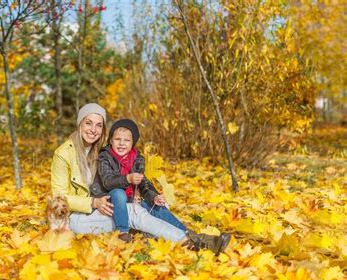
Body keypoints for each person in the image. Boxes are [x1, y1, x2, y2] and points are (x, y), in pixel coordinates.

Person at [90, 119, 231, 255]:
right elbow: (107, 181)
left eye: (126, 140)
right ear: (110, 140)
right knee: (119, 193)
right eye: (117, 139)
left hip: (133, 201)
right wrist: (127, 179)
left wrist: (153, 196)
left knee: (158, 208)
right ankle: (124, 233)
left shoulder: (136, 158)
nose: (121, 144)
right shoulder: (105, 156)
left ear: (133, 143)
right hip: (115, 202)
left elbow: (144, 183)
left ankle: (197, 237)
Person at [51, 103, 116, 234]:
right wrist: (93, 202)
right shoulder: (63, 153)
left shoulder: (104, 151)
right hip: (75, 215)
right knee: (131, 215)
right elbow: (59, 198)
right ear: (80, 123)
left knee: (137, 210)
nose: (93, 129)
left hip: (102, 208)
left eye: (99, 125)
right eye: (88, 123)